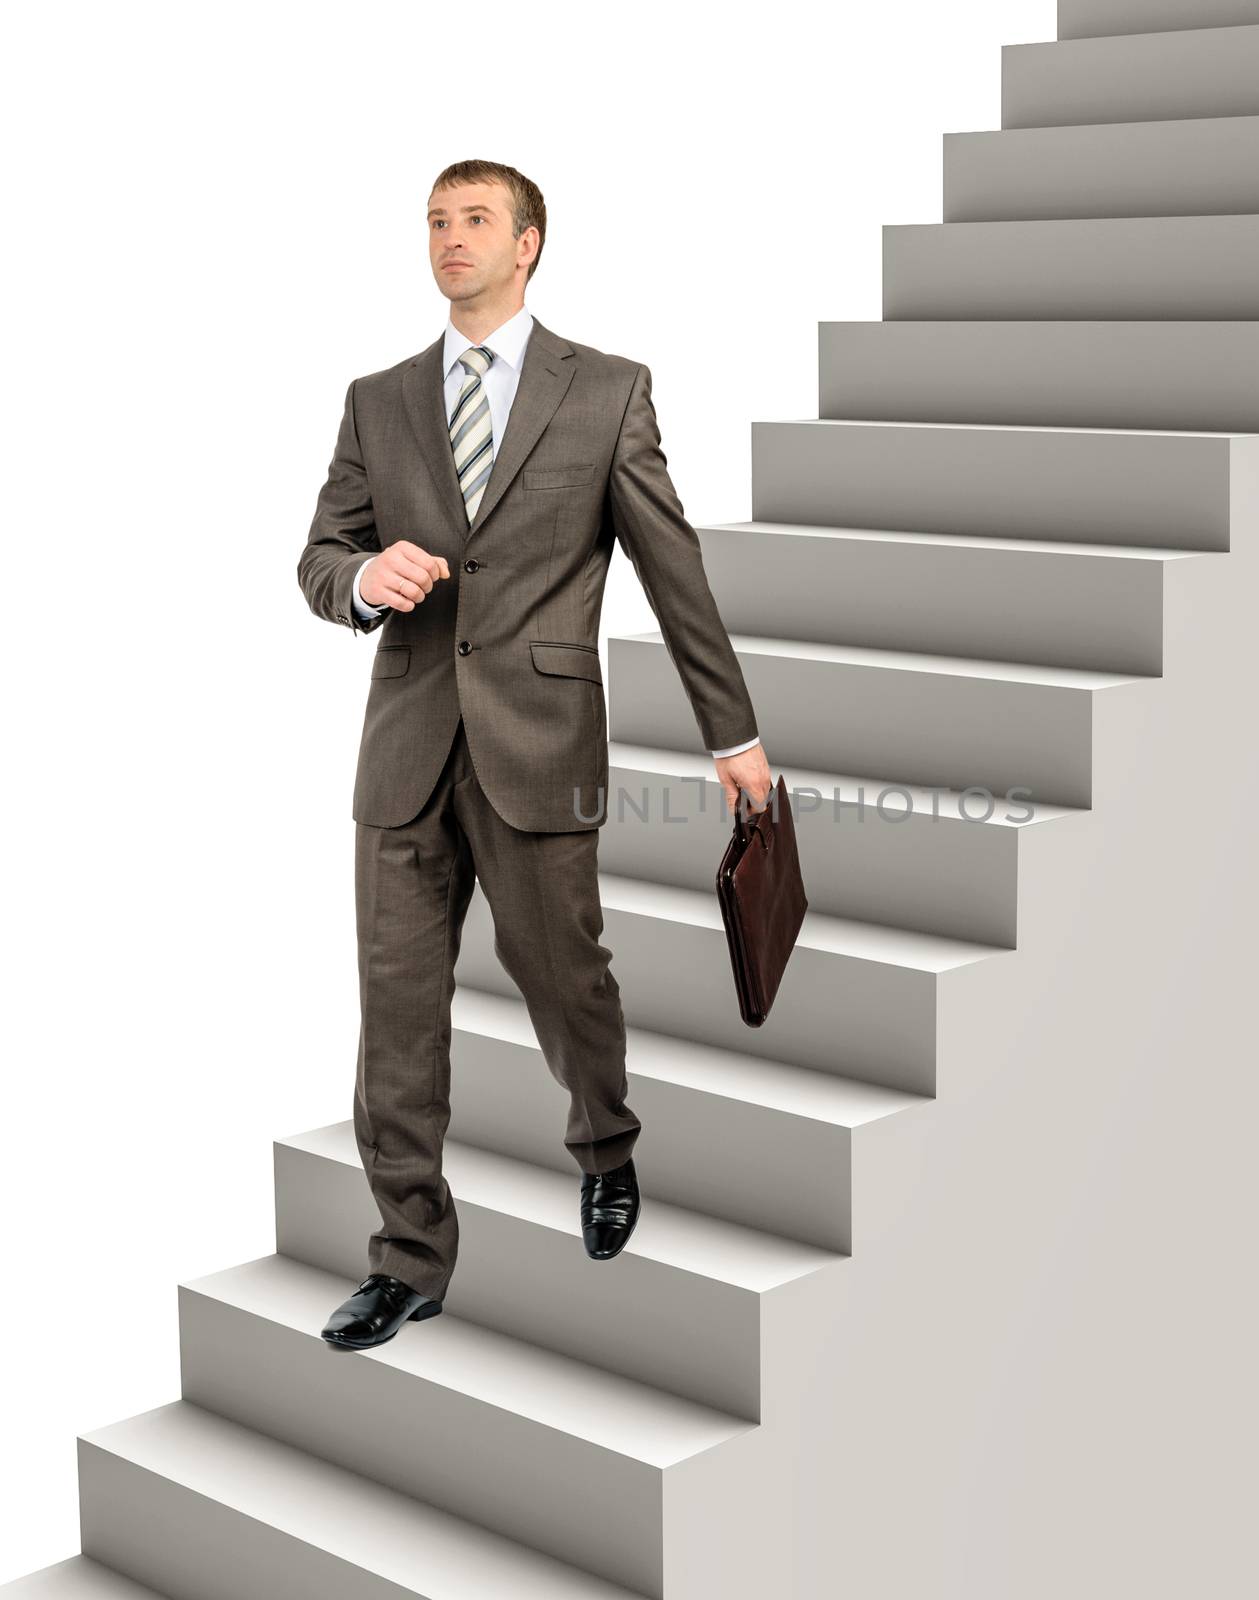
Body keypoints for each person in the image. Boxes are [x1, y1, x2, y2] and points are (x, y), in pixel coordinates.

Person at [297, 157, 772, 1351]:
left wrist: (734, 732)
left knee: (566, 976)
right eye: (435, 222)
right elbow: (319, 553)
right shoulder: (378, 396)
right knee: (396, 1012)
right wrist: (360, 578)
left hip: (540, 741)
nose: (450, 240)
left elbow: (674, 570)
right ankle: (408, 1256)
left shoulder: (606, 391)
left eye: (474, 222)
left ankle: (605, 1143)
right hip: (405, 748)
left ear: (530, 244)